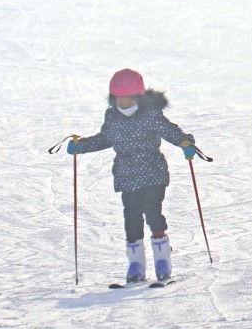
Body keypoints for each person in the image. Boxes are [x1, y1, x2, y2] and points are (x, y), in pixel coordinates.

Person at [66, 69, 196, 284]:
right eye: (119, 98)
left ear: (138, 96)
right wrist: (82, 146)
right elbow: (105, 138)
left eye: (127, 98)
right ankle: (136, 266)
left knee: (153, 213)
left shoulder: (151, 114)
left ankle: (163, 263)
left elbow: (169, 130)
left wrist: (185, 142)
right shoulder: (112, 116)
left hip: (153, 172)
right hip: (126, 174)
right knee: (132, 218)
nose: (123, 103)